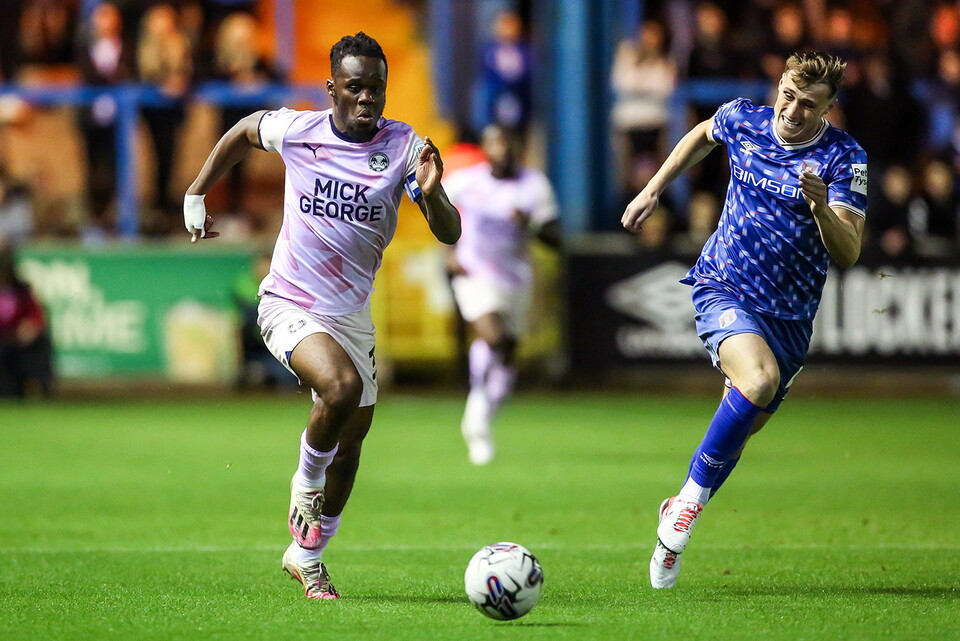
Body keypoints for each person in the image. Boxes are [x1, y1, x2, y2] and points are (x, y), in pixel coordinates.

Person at [183, 32, 461, 600]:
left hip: (350, 316)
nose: (367, 100)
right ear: (331, 88)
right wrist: (197, 192)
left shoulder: (404, 147)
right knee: (340, 387)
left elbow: (450, 231)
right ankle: (303, 483)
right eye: (355, 88)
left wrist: (432, 195)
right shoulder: (299, 131)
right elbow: (241, 132)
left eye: (376, 90)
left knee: (353, 443)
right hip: (288, 301)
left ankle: (307, 557)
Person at [621, 51, 867, 589]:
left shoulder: (845, 160)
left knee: (743, 423)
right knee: (757, 381)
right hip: (724, 285)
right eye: (788, 96)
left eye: (809, 105)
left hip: (790, 319)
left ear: (828, 108)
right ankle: (685, 513)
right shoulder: (743, 119)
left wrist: (822, 208)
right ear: (777, 83)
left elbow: (848, 252)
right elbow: (701, 135)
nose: (793, 111)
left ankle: (681, 504)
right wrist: (653, 188)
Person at [443, 124, 560, 466]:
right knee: (493, 337)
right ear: (485, 148)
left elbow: (555, 237)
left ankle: (481, 414)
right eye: (496, 144)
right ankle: (477, 417)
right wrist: (448, 254)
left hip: (516, 280)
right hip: (474, 273)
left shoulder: (533, 186)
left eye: (509, 144)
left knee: (508, 351)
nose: (503, 151)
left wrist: (531, 224)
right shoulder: (467, 181)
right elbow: (437, 211)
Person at [0, 244, 54, 398]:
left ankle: (41, 388)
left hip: (18, 338)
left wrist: (31, 326)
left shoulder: (22, 290)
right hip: (2, 339)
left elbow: (36, 314)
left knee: (41, 342)